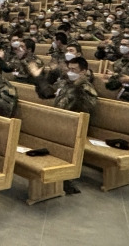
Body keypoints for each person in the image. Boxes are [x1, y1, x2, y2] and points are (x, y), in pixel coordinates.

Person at [28, 56, 98, 194]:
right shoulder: (64, 83)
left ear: (83, 72)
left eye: (74, 69)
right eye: (69, 69)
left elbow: (89, 108)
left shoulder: (87, 88)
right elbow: (47, 93)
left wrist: (77, 87)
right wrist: (38, 77)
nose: (70, 72)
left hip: (76, 127)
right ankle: (52, 178)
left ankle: (65, 180)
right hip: (60, 123)